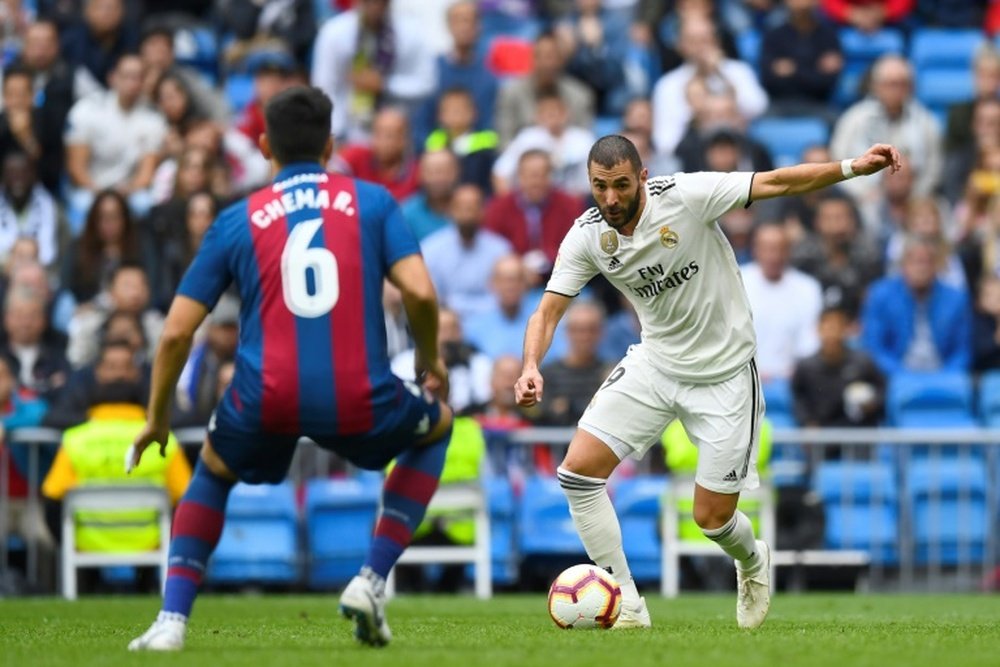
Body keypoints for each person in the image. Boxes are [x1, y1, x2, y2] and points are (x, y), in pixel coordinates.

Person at [515, 134, 901, 629]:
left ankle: (753, 560)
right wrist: (530, 365)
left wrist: (852, 166)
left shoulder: (687, 196)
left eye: (620, 185)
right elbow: (547, 313)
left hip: (725, 376)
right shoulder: (588, 235)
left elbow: (778, 182)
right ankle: (627, 602)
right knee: (577, 475)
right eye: (599, 187)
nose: (610, 198)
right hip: (656, 365)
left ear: (643, 179)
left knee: (712, 520)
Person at [126, 86, 453, 651]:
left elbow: (177, 330)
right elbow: (421, 295)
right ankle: (372, 579)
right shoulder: (373, 202)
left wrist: (156, 418)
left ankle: (171, 623)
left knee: (213, 471)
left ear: (262, 145)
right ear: (330, 145)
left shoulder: (237, 219)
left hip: (264, 397)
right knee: (439, 425)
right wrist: (430, 358)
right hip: (359, 394)